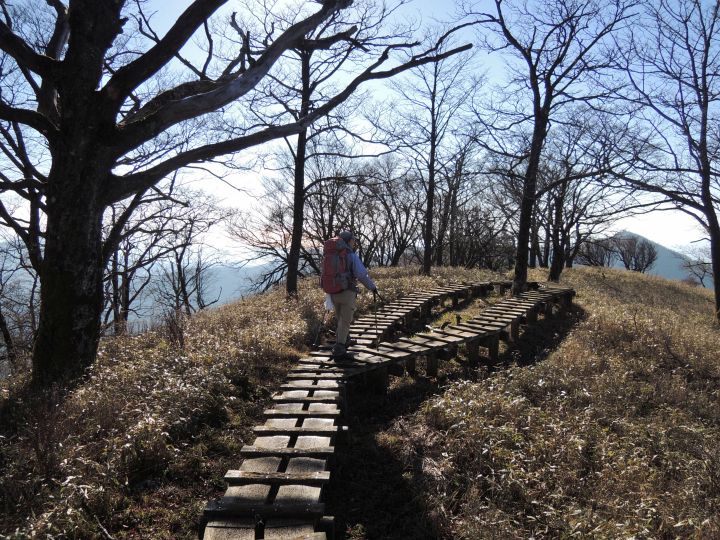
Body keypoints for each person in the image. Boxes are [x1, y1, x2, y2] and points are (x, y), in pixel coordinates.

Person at [331, 230, 377, 357]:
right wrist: (372, 287)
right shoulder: (351, 255)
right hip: (347, 292)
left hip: (333, 292)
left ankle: (345, 339)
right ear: (349, 241)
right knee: (345, 321)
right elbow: (361, 275)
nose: (354, 242)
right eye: (353, 240)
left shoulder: (332, 255)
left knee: (340, 319)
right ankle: (339, 349)